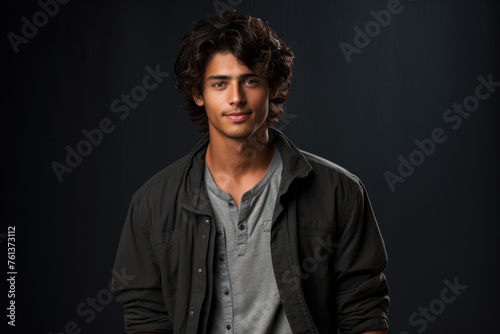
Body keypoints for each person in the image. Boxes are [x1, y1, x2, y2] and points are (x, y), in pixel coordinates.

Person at [112, 10, 390, 334]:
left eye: (250, 81)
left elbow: (364, 312)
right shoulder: (152, 205)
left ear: (271, 87)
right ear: (198, 94)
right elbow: (146, 318)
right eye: (220, 83)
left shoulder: (339, 193)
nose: (236, 98)